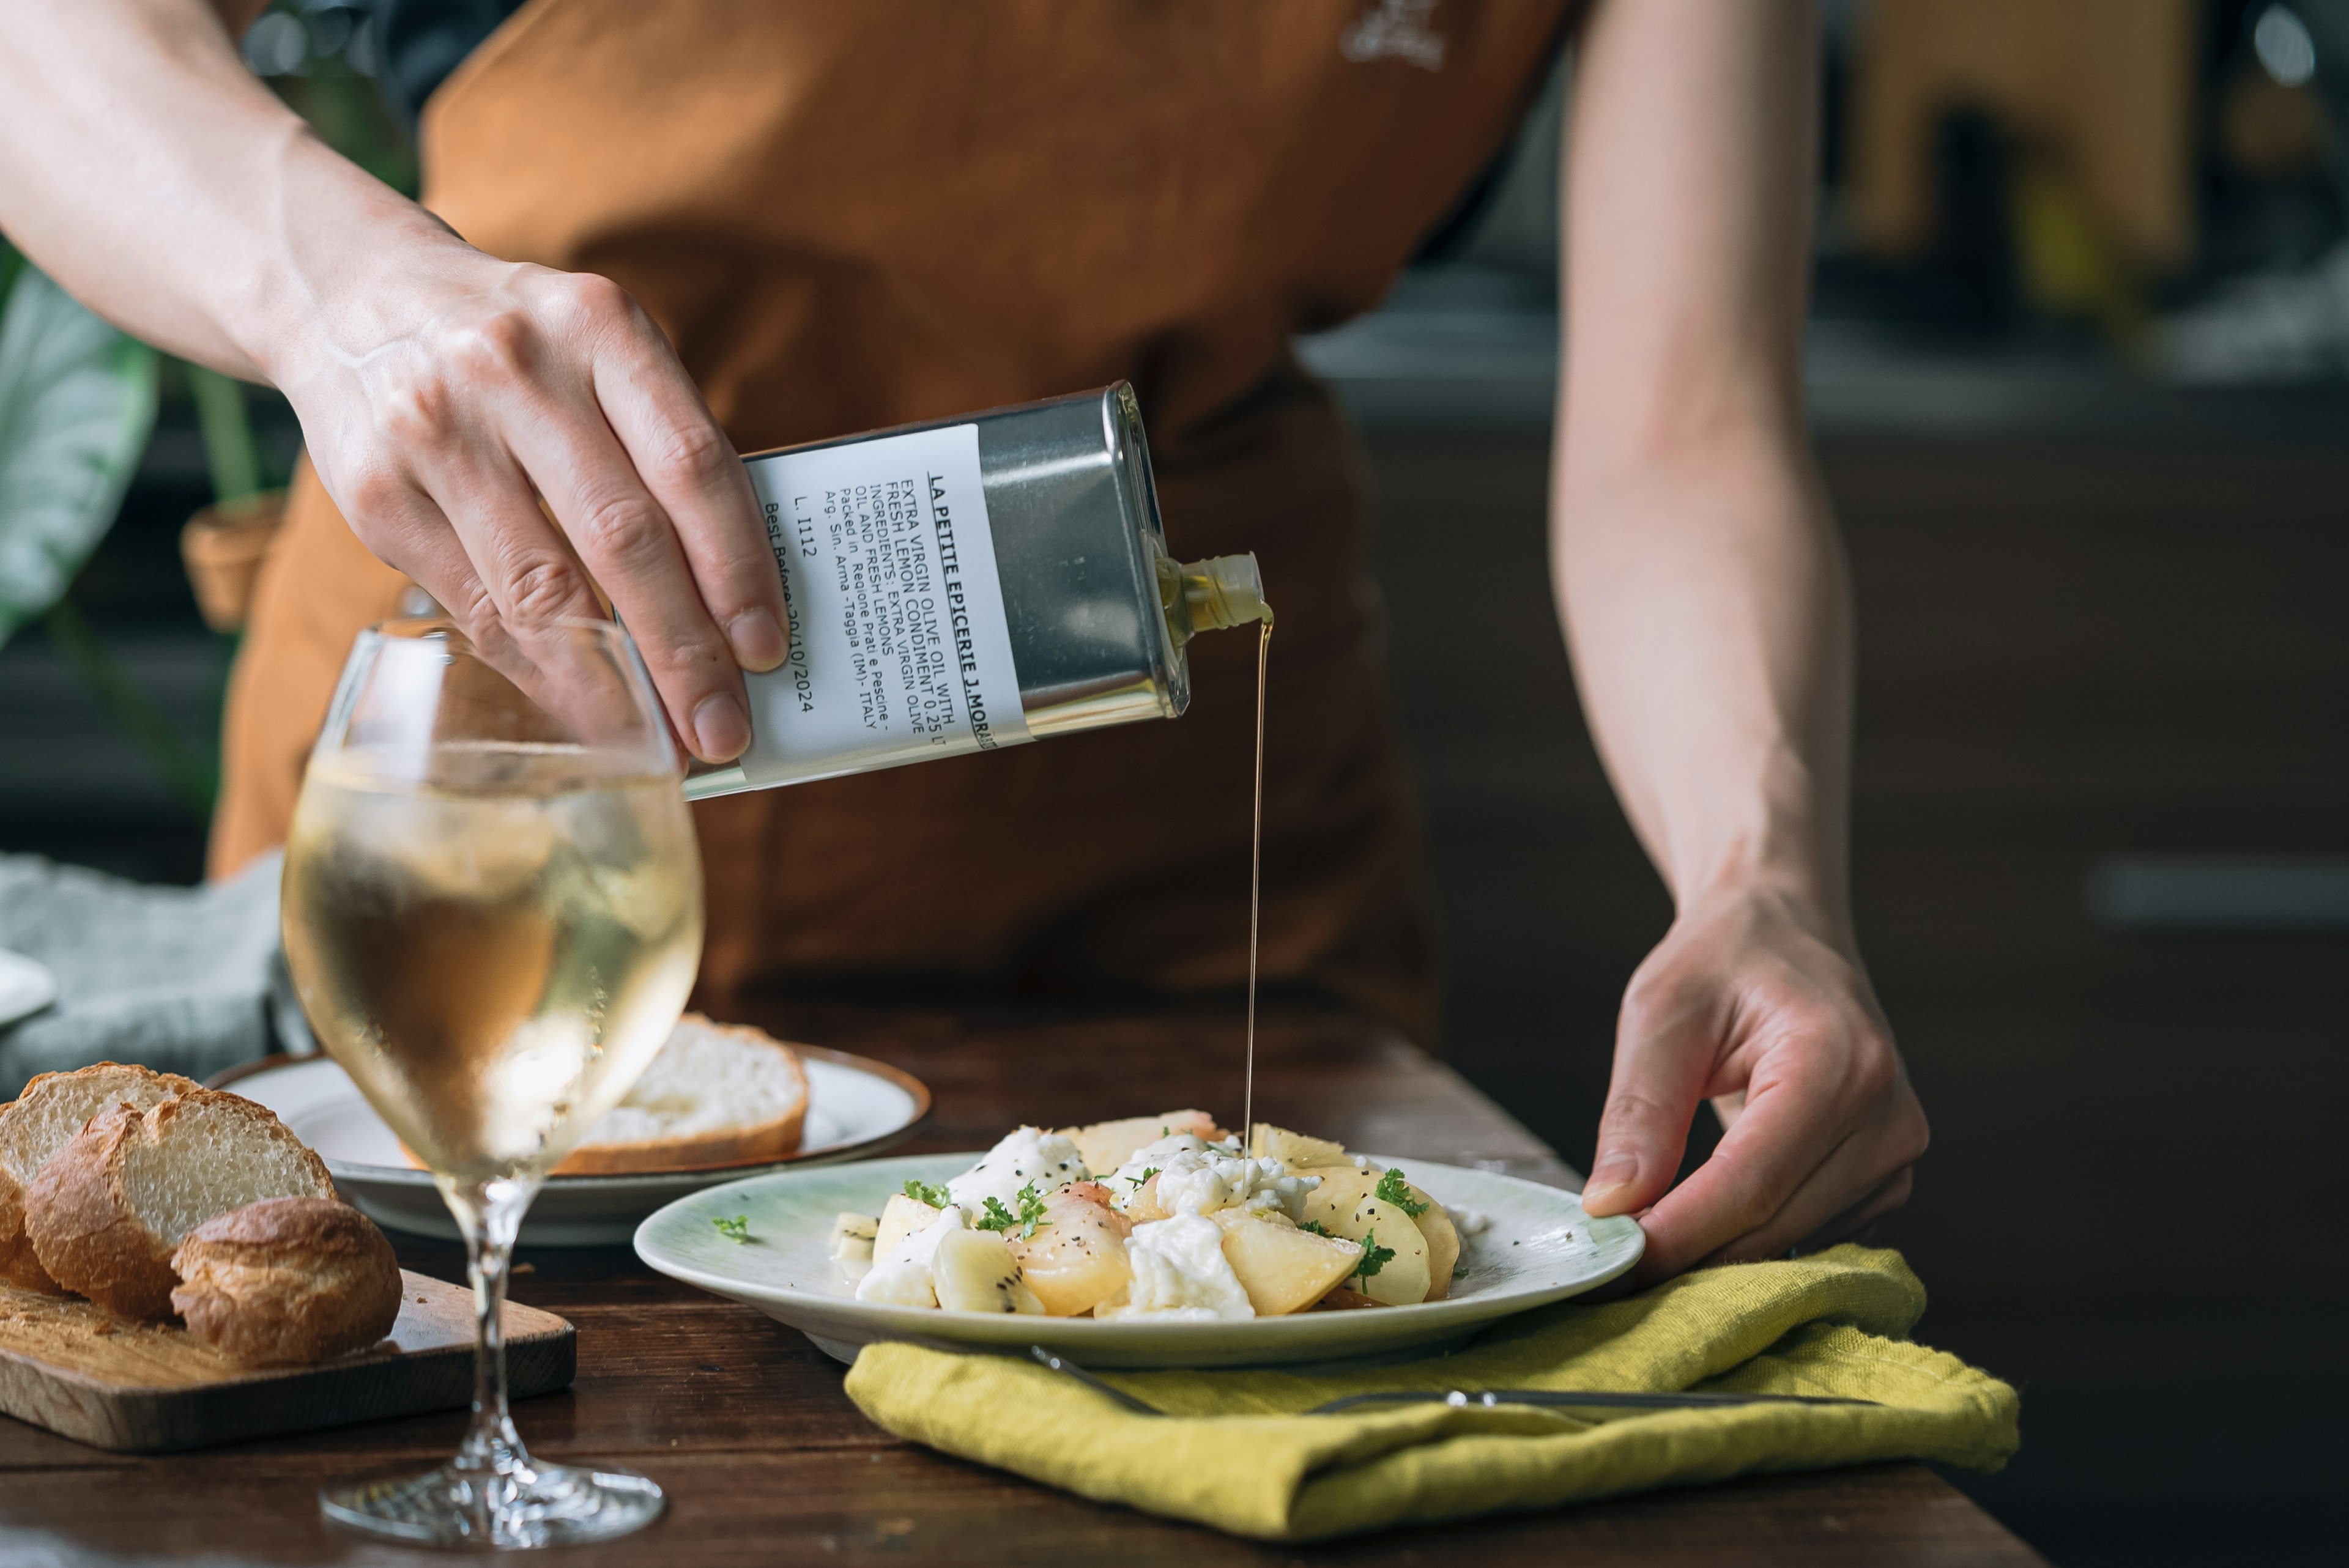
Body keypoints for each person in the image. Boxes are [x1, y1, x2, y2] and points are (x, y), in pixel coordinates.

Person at [0, 0, 1926, 1280]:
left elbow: (1690, 421)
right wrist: (338, 286)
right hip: (509, 848)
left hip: (1195, 920)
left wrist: (1767, 876)